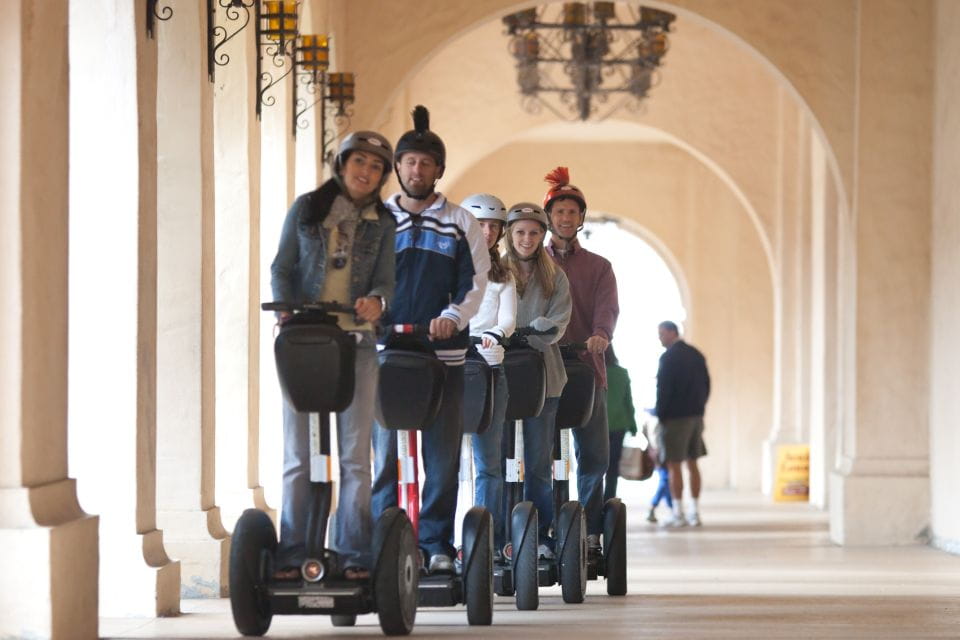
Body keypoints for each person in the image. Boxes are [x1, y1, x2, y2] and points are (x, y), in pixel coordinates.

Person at [270, 131, 396, 580]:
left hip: (357, 345)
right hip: (305, 342)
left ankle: (353, 554)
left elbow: (385, 280)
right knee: (297, 455)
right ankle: (291, 552)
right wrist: (285, 308)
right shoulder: (307, 208)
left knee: (354, 457)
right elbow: (282, 267)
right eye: (359, 161)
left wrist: (376, 301)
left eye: (376, 166)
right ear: (342, 163)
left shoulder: (383, 222)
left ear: (383, 176)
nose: (366, 171)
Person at [371, 106, 490, 574]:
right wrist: (370, 308)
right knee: (383, 456)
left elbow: (475, 280)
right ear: (397, 167)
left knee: (441, 461)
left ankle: (436, 543)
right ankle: (385, 537)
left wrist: (451, 316)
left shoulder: (460, 222)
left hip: (444, 357)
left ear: (438, 170)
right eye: (409, 162)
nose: (416, 170)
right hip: (388, 353)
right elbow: (363, 275)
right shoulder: (378, 219)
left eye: (425, 163)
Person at [542, 167, 619, 555]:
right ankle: (547, 527)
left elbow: (608, 309)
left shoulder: (599, 267)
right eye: (560, 213)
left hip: (589, 367)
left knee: (594, 455)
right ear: (549, 218)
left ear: (581, 219)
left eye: (573, 212)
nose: (566, 219)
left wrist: (601, 336)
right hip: (544, 370)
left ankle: (588, 530)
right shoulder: (535, 262)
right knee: (542, 453)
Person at [502, 202, 572, 559]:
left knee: (539, 462)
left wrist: (533, 333)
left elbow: (558, 320)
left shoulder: (554, 275)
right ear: (509, 235)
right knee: (500, 461)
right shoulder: (496, 271)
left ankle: (541, 536)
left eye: (534, 232)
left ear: (542, 235)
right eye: (520, 232)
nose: (527, 239)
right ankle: (501, 536)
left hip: (544, 378)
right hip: (499, 374)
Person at [462, 193, 517, 559]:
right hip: (452, 367)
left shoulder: (503, 273)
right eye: (480, 224)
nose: (487, 232)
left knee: (489, 464)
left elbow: (508, 318)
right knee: (447, 465)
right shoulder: (449, 267)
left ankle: (487, 544)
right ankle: (449, 542)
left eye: (493, 227)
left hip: (490, 368)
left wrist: (496, 333)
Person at [655, 320, 711, 527]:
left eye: (661, 334)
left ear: (672, 332)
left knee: (674, 465)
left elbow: (663, 391)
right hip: (696, 417)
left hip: (675, 419)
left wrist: (661, 416)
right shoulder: (696, 354)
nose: (659, 338)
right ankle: (695, 512)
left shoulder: (668, 358)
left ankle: (678, 513)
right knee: (693, 463)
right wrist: (699, 410)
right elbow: (707, 385)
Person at [603, 345, 637, 502]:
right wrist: (633, 425)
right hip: (619, 424)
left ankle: (594, 498)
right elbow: (628, 402)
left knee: (595, 462)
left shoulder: (595, 372)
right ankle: (610, 497)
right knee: (613, 463)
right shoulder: (622, 373)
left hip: (597, 424)